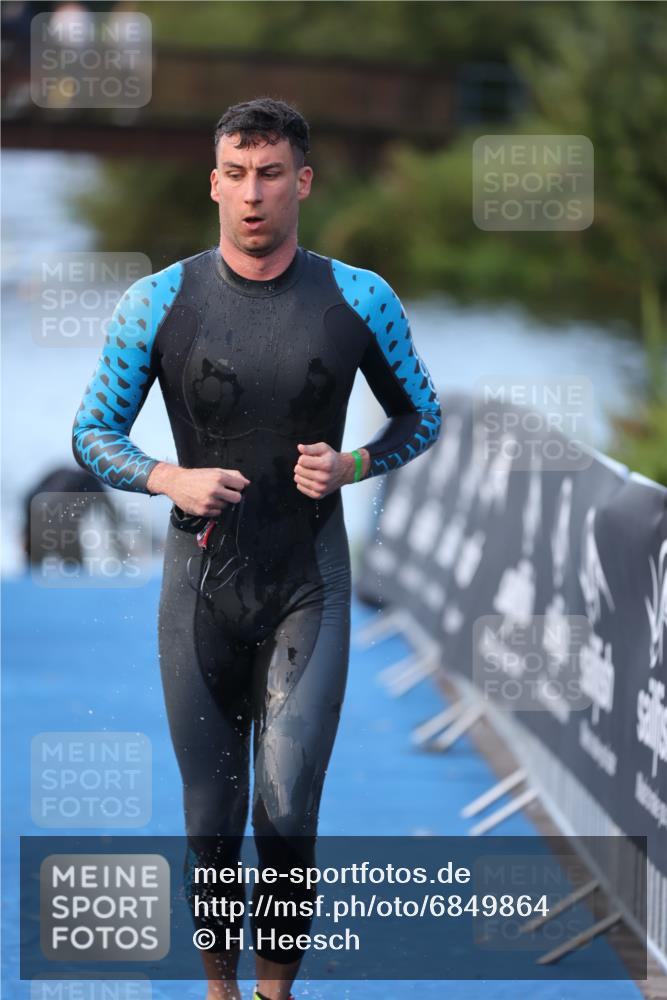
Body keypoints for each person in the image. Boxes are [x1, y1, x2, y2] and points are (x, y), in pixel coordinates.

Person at [72, 97, 441, 1000]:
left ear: (302, 182)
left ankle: (272, 996)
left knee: (286, 807)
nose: (252, 194)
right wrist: (170, 478)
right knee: (211, 816)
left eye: (270, 173)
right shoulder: (156, 302)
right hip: (197, 587)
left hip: (307, 585)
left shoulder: (359, 298)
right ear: (212, 182)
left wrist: (353, 462)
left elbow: (421, 415)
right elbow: (92, 435)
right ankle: (219, 991)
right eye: (235, 175)